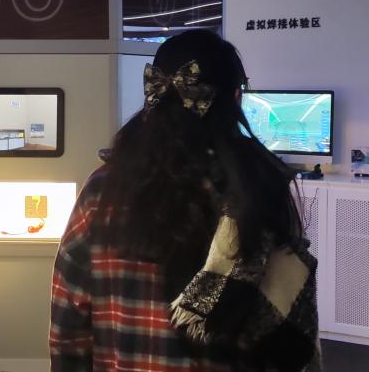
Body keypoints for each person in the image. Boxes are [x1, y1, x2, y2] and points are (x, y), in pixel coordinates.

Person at [50, 30, 320, 372]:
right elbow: (286, 322)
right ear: (234, 99)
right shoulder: (259, 188)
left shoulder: (102, 190)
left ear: (154, 95)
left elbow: (69, 319)